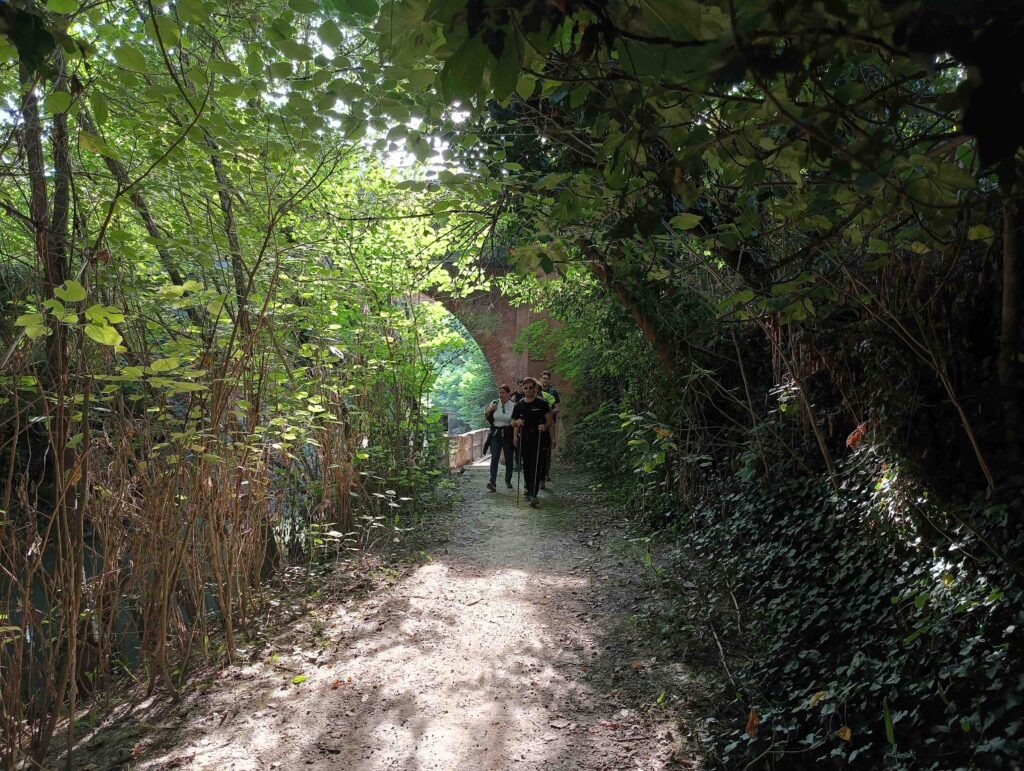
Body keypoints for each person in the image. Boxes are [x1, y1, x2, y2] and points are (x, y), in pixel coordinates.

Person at [512, 377, 552, 507]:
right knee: (527, 465)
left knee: (537, 464)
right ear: (522, 389)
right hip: (525, 438)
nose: (528, 390)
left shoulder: (542, 404)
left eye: (531, 388)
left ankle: (534, 493)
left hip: (539, 438)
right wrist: (516, 423)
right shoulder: (519, 405)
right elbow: (512, 422)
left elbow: (550, 420)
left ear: (535, 389)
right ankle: (528, 488)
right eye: (526, 388)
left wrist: (544, 427)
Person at [484, 384, 516, 492]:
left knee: (508, 458)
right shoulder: (494, 403)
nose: (501, 394)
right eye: (500, 392)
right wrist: (490, 410)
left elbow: (514, 420)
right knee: (495, 457)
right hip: (496, 432)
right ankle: (492, 482)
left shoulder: (513, 405)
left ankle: (508, 480)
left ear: (508, 394)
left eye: (503, 392)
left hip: (508, 433)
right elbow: (486, 416)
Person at [539, 370, 561, 486]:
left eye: (547, 378)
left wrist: (549, 412)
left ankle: (546, 472)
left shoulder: (553, 392)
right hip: (537, 424)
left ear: (549, 380)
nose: (545, 380)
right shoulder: (536, 391)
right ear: (540, 378)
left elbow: (557, 408)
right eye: (544, 378)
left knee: (547, 450)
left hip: (549, 423)